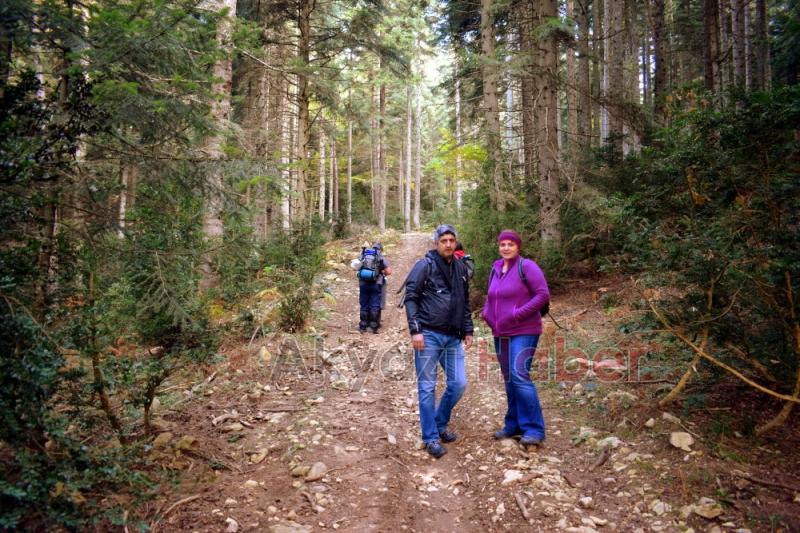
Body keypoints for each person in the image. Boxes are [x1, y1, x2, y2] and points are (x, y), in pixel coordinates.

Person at [403, 224, 474, 458]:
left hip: (453, 337)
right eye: (443, 240)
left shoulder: (461, 267)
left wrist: (468, 329)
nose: (448, 244)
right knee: (427, 387)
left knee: (459, 383)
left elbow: (464, 301)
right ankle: (430, 437)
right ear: (436, 243)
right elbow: (411, 297)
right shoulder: (425, 265)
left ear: (456, 243)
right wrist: (416, 330)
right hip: (429, 335)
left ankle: (439, 423)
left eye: (451, 240)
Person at [481, 230, 550, 446]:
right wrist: (486, 314)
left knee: (519, 375)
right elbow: (491, 297)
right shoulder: (495, 268)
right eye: (502, 244)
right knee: (510, 379)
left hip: (524, 329)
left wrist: (517, 314)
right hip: (500, 333)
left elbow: (542, 295)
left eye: (510, 244)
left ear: (518, 246)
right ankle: (513, 425)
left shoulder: (527, 266)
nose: (506, 248)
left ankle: (534, 429)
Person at [353, 242, 392, 333]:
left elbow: (355, 267)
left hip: (363, 284)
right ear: (380, 249)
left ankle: (363, 325)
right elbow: (389, 272)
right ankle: (373, 326)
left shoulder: (363, 255)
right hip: (376, 284)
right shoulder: (380, 257)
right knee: (375, 304)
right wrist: (381, 273)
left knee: (364, 304)